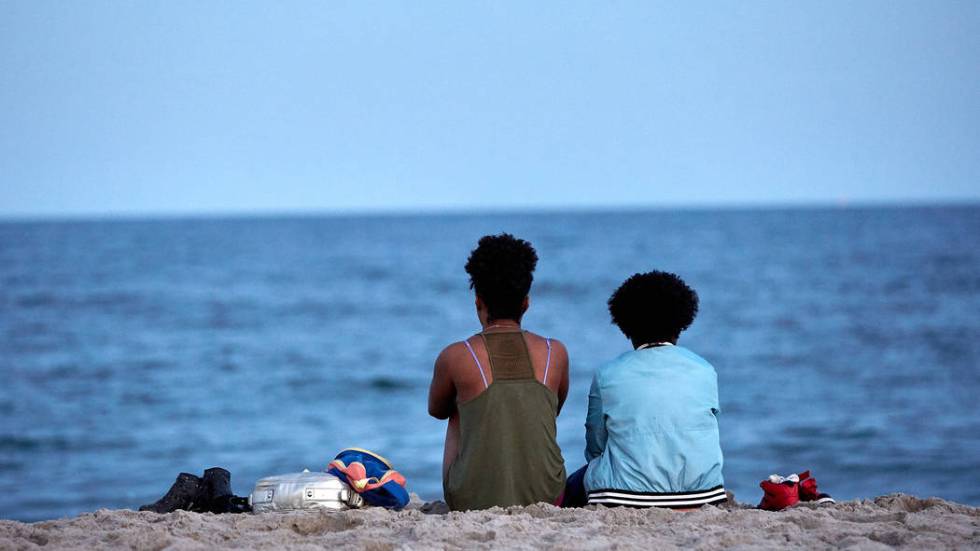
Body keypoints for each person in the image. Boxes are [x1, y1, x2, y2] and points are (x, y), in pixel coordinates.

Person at [428, 233, 569, 511]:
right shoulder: (556, 352)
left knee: (457, 408)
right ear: (526, 302)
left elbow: (436, 409)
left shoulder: (455, 355)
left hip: (472, 502)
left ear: (478, 301)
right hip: (550, 496)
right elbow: (553, 409)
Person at [562, 271, 726, 509]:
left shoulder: (608, 374)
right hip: (704, 494)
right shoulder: (705, 370)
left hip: (622, 496)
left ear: (625, 325)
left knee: (574, 483)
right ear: (682, 322)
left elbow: (596, 444)